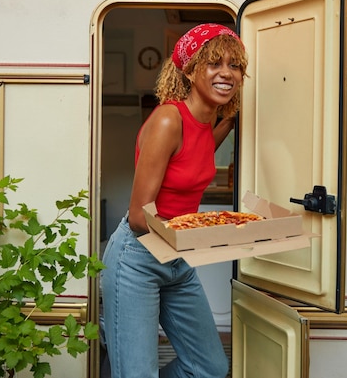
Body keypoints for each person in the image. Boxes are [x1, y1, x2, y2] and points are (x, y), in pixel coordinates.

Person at [100, 23, 248, 378]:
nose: (226, 73)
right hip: (137, 257)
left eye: (235, 65)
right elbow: (139, 216)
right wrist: (203, 238)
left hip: (176, 259)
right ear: (190, 69)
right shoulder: (169, 118)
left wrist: (231, 121)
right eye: (214, 63)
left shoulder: (207, 122)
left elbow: (196, 157)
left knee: (209, 368)